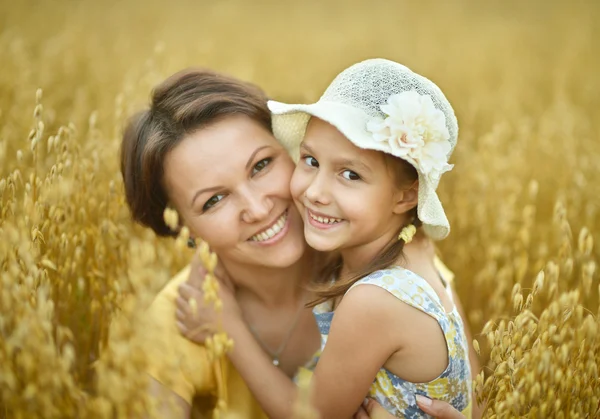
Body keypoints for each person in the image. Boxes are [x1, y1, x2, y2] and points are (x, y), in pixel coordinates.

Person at [121, 67, 478, 418]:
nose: (258, 209)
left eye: (260, 165)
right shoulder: (180, 319)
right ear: (181, 227)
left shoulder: (393, 266)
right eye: (214, 200)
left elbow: (474, 402)